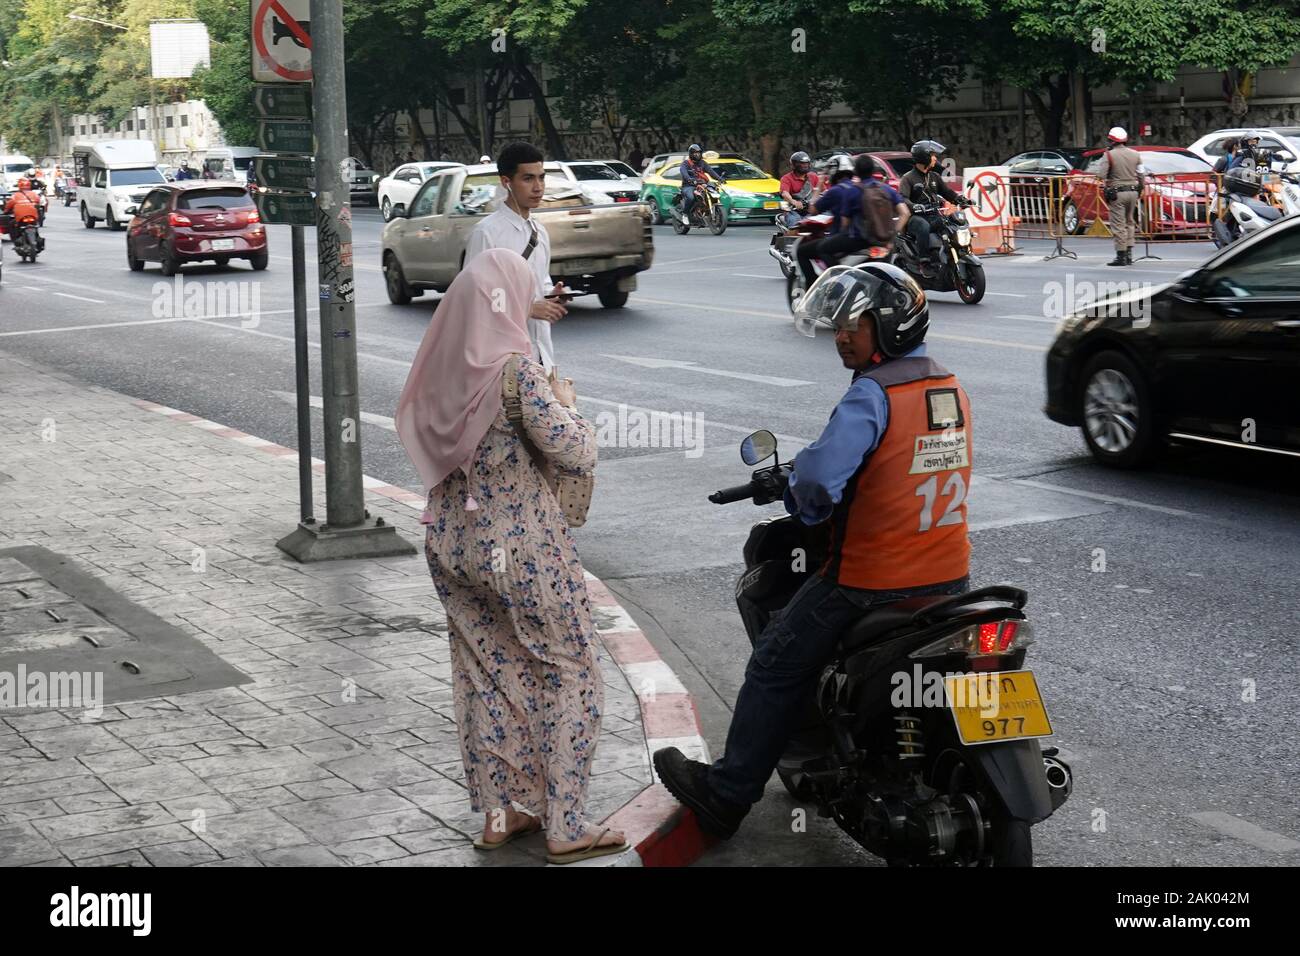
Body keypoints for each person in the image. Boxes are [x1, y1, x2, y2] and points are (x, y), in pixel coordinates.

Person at [653, 262, 974, 839]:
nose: (841, 335)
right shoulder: (948, 386)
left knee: (775, 664)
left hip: (869, 581)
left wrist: (803, 506)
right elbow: (899, 468)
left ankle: (726, 794)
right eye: (838, 325)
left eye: (854, 323)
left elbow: (822, 481)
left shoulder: (873, 395)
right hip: (951, 582)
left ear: (891, 325)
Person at [394, 247, 627, 864]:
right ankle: (567, 823)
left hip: (449, 542)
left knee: (485, 669)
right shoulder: (515, 372)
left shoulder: (438, 368)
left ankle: (503, 814)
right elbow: (572, 449)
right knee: (570, 666)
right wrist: (570, 404)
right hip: (521, 546)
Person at [465, 141, 569, 372]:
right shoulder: (487, 233)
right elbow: (475, 299)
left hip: (541, 356)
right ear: (506, 182)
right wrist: (528, 309)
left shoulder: (539, 232)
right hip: (502, 363)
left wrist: (552, 296)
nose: (538, 187)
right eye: (528, 178)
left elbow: (540, 283)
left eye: (541, 178)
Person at [796, 154, 908, 288]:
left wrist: (818, 187)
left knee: (816, 249)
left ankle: (837, 284)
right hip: (884, 242)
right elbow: (905, 213)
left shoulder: (851, 191)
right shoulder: (886, 189)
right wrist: (891, 236)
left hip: (858, 240)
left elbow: (844, 224)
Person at [899, 140, 971, 271]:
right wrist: (914, 206)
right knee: (923, 226)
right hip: (916, 218)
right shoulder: (908, 178)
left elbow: (947, 192)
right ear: (924, 157)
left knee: (952, 222)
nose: (935, 158)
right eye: (933, 155)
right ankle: (924, 262)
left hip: (933, 214)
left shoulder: (934, 176)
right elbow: (903, 198)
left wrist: (960, 199)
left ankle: (957, 252)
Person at [1095, 126, 1144, 266]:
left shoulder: (1109, 155)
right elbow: (1141, 175)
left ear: (1111, 140)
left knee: (1118, 224)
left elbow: (1102, 175)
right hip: (1133, 191)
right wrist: (1140, 189)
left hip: (1117, 193)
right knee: (1130, 222)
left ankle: (1120, 256)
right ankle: (1129, 254)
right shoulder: (1136, 154)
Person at [779, 150, 821, 229]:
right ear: (794, 165)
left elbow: (822, 191)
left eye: (806, 163)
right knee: (795, 227)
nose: (805, 165)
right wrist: (794, 202)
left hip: (811, 210)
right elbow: (785, 194)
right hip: (793, 211)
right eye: (802, 163)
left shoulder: (813, 176)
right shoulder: (786, 178)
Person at [678, 144, 719, 223]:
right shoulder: (685, 164)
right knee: (691, 197)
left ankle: (706, 210)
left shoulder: (702, 163)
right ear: (691, 154)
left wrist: (720, 178)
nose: (697, 155)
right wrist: (690, 179)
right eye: (695, 153)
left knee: (714, 192)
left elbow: (711, 171)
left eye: (699, 153)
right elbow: (684, 173)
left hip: (702, 184)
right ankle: (685, 214)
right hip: (689, 186)